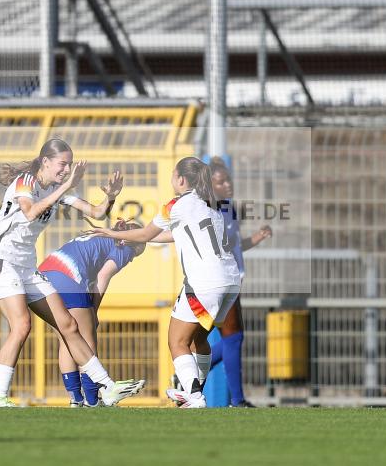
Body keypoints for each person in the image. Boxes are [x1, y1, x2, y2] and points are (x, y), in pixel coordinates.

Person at [0, 137, 145, 407]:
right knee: (21, 325)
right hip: (0, 260)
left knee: (68, 325)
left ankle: (109, 387)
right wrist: (66, 186)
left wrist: (111, 196)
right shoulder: (25, 182)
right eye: (62, 164)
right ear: (45, 161)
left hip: (25, 265)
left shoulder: (58, 188)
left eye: (69, 165)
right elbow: (30, 212)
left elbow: (98, 213)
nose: (66, 170)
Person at [89, 157, 241, 409]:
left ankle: (194, 397)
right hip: (229, 282)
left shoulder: (176, 204)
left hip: (204, 282)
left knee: (177, 341)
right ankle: (195, 391)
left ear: (180, 179)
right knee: (198, 339)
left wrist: (110, 232)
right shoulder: (209, 205)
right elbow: (171, 235)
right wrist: (132, 235)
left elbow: (146, 234)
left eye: (173, 175)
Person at [39, 220, 147, 407]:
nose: (132, 258)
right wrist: (93, 311)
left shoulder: (104, 237)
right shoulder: (124, 247)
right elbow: (103, 276)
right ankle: (91, 400)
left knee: (67, 340)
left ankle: (76, 399)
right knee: (87, 340)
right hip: (67, 276)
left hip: (43, 274)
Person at [206, 157, 272, 407]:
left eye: (228, 180)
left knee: (232, 338)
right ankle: (237, 400)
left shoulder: (229, 208)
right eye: (220, 182)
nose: (227, 185)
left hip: (230, 279)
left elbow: (234, 246)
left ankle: (188, 375)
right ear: (209, 185)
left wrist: (256, 238)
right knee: (233, 338)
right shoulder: (211, 210)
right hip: (220, 281)